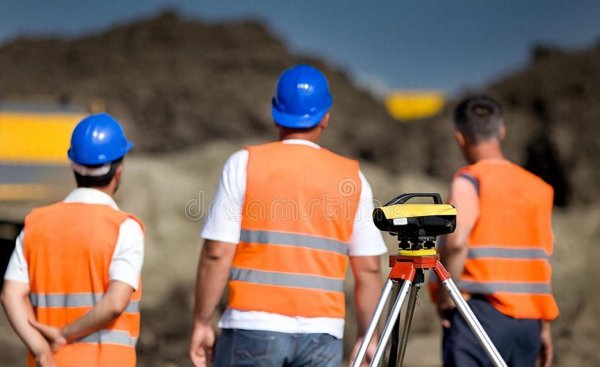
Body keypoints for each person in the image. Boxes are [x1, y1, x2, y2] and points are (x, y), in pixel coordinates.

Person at [189, 64, 387, 367]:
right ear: (325, 116)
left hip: (252, 327)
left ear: (274, 112)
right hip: (323, 334)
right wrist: (368, 336)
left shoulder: (244, 164)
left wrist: (202, 321)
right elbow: (370, 268)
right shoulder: (353, 179)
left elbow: (217, 253)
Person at [1, 113, 144, 367]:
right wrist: (64, 334)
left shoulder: (35, 225)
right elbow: (115, 303)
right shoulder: (124, 228)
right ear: (118, 170)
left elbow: (10, 295)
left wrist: (41, 350)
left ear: (72, 165)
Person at [432, 96, 559, 367]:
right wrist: (543, 326)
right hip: (529, 324)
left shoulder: (469, 180)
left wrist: (446, 298)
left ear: (460, 138)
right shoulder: (538, 187)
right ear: (501, 131)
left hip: (478, 315)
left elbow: (455, 242)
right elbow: (541, 263)